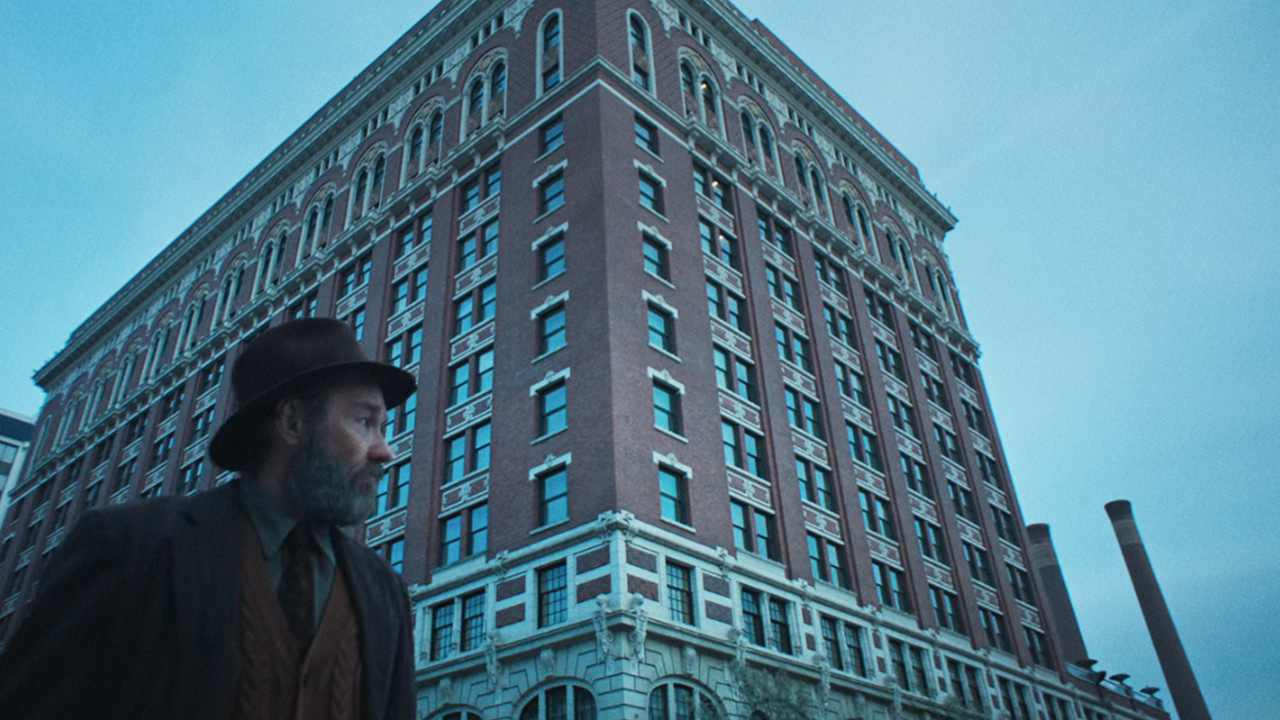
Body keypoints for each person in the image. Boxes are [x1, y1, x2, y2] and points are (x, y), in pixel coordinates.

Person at [0, 318, 419, 720]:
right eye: (365, 422)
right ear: (292, 422)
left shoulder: (385, 593)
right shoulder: (129, 546)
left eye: (382, 426)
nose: (386, 450)